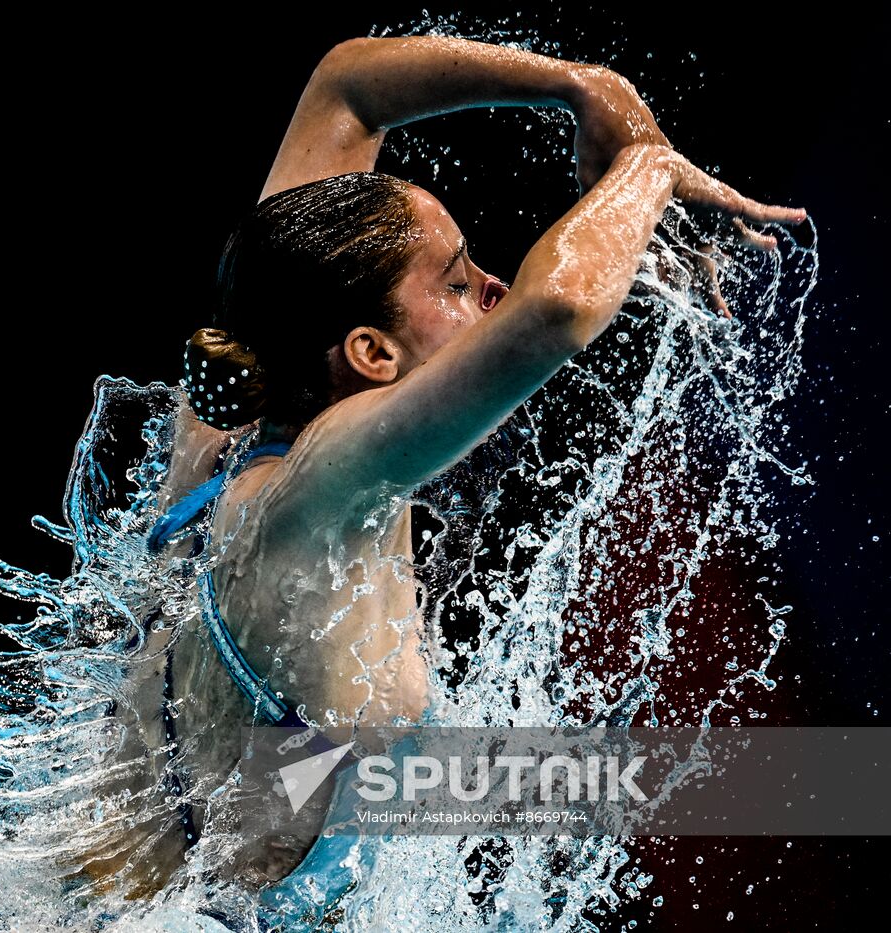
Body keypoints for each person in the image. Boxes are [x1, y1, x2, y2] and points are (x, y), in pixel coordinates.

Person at [60, 34, 805, 920]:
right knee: (749, 787)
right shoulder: (329, 481)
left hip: (110, 868)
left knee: (739, 782)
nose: (492, 286)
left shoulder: (225, 424)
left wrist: (582, 87)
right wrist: (646, 167)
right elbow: (556, 309)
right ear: (370, 354)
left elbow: (346, 88)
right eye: (456, 281)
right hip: (169, 914)